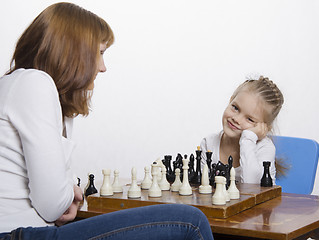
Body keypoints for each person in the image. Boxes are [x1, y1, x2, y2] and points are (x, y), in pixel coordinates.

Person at [0, 3, 213, 240]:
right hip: (15, 234)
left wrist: (67, 193)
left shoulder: (44, 95)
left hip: (31, 231)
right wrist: (66, 194)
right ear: (73, 51)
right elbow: (53, 206)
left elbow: (60, 195)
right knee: (190, 223)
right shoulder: (34, 83)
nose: (103, 67)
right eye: (99, 53)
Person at [200, 76, 285, 185]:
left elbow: (252, 188)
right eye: (235, 108)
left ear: (265, 128)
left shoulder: (265, 148)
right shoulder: (209, 143)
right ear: (230, 100)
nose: (236, 119)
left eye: (249, 119)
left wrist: (248, 138)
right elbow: (201, 188)